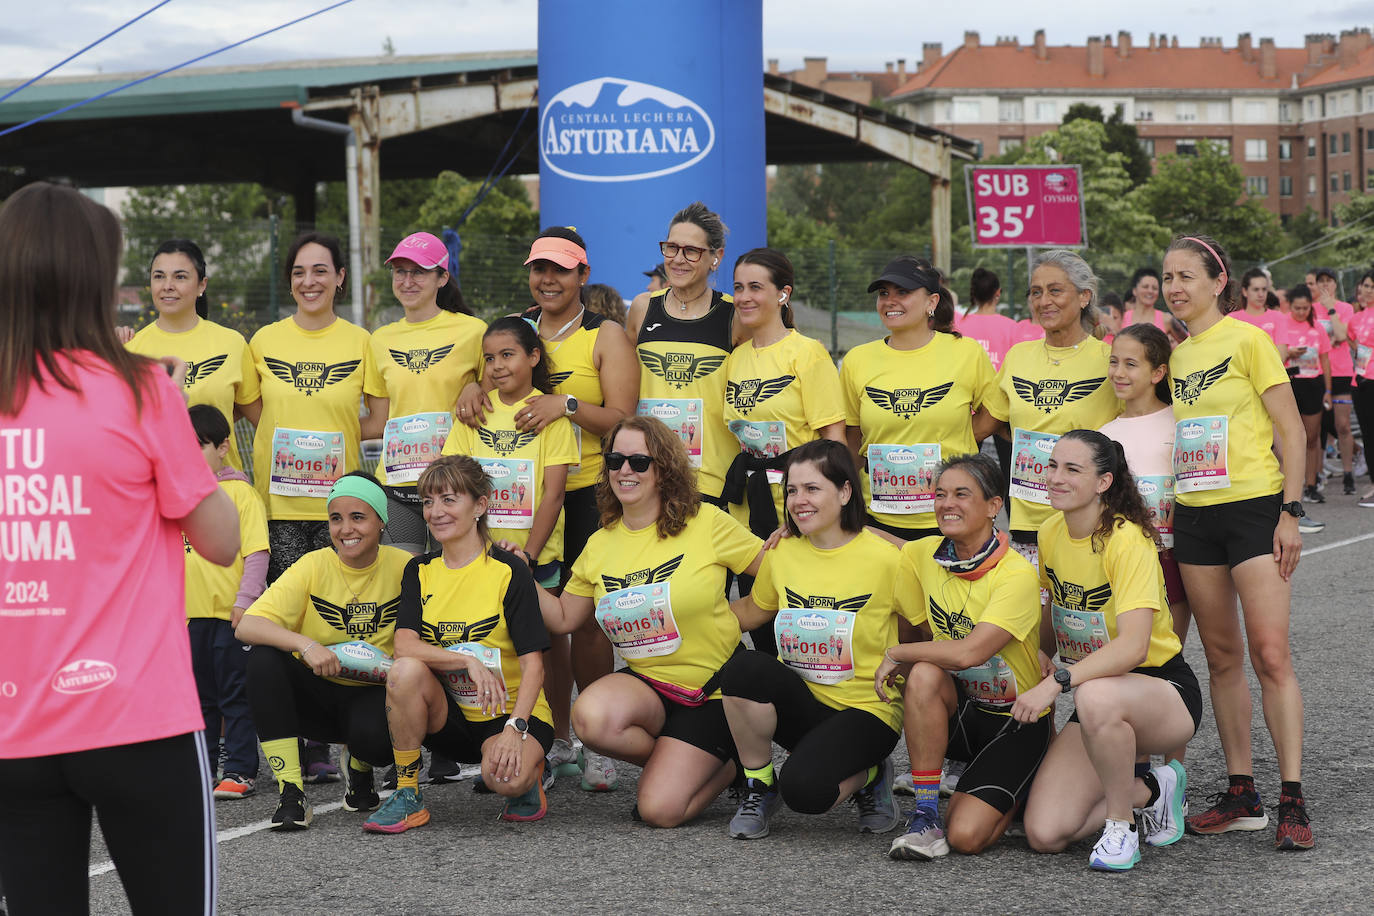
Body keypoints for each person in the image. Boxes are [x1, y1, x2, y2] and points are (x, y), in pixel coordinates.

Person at [0, 182, 239, 916]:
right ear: (94, 275)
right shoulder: (140, 389)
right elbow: (221, 542)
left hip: (15, 727)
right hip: (138, 716)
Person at [460, 226, 638, 790]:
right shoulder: (515, 327)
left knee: (585, 623)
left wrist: (564, 404)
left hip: (589, 492)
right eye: (540, 268)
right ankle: (558, 737)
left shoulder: (605, 334)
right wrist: (467, 387)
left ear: (583, 275)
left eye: (560, 269)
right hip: (525, 498)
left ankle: (597, 740)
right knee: (543, 628)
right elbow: (484, 379)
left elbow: (625, 419)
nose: (548, 279)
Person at [536, 416, 765, 827]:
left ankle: (727, 765)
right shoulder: (601, 542)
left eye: (639, 461)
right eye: (615, 460)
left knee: (658, 812)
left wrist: (739, 617)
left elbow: (777, 574)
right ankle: (696, 762)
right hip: (650, 687)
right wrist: (516, 572)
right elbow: (566, 616)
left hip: (711, 692)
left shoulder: (706, 522)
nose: (625, 470)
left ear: (663, 468)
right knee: (589, 716)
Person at [1163, 235, 1312, 850]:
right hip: (1195, 518)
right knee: (1221, 658)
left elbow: (1291, 429)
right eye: (1168, 277)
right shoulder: (1175, 358)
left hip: (1254, 511)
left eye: (1187, 276)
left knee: (1270, 655)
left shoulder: (1248, 339)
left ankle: (1292, 798)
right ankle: (1241, 792)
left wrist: (1291, 513)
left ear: (1218, 280)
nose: (1175, 288)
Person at [1016, 431, 1202, 872]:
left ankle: (1121, 827)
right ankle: (1155, 789)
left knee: (1094, 695)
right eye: (1051, 465)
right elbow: (1054, 603)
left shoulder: (1127, 539)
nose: (1055, 477)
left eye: (1072, 469)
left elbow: (1135, 647)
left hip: (1161, 689)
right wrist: (1042, 655)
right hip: (1095, 692)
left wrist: (1056, 683)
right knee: (1045, 832)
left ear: (1103, 482)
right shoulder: (1049, 530)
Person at [719, 440, 905, 840]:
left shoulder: (887, 558)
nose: (798, 500)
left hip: (868, 710)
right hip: (805, 701)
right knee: (744, 668)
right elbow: (751, 611)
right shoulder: (783, 552)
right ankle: (759, 782)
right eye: (791, 490)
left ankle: (872, 775)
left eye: (812, 489)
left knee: (806, 792)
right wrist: (689, 627)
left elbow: (923, 622)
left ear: (844, 492)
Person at [363, 456, 555, 832]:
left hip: (510, 711)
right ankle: (407, 792)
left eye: (449, 500)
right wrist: (466, 661)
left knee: (505, 780)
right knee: (404, 672)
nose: (435, 512)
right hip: (452, 715)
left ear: (479, 506)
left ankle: (530, 771)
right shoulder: (419, 570)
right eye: (429, 502)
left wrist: (516, 728)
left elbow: (535, 665)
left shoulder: (508, 569)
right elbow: (404, 647)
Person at [875, 453, 1049, 861]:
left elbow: (971, 652)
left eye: (961, 494)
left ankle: (1022, 792)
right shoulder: (921, 556)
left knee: (968, 838)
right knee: (922, 675)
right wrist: (793, 527)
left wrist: (895, 653)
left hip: (1016, 723)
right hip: (963, 714)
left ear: (993, 506)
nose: (946, 503)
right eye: (939, 494)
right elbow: (876, 543)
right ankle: (925, 812)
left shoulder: (1016, 574)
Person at [235, 472, 411, 831]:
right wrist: (306, 644)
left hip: (371, 695)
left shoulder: (406, 566)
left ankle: (360, 765)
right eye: (336, 518)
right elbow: (247, 625)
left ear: (381, 521)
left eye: (358, 517)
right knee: (263, 660)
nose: (346, 529)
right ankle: (291, 792)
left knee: (378, 741)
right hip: (316, 692)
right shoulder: (313, 565)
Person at [722, 248, 846, 654]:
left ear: (783, 294)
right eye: (738, 287)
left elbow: (833, 436)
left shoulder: (806, 353)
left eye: (756, 287)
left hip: (799, 507)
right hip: (749, 508)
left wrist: (831, 509)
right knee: (762, 629)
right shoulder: (736, 359)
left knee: (803, 626)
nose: (744, 297)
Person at [250, 232, 381, 582]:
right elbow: (255, 411)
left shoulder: (362, 342)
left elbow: (379, 420)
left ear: (340, 277)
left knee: (335, 607)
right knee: (288, 610)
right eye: (298, 272)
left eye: (320, 271)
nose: (308, 282)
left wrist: (335, 435)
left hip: (341, 506)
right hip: (279, 506)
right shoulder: (263, 341)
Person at [841, 256, 997, 542]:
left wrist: (960, 440)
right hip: (879, 519)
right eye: (884, 293)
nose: (890, 301)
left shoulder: (966, 353)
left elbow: (995, 413)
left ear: (932, 302)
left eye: (903, 292)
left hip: (952, 515)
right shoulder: (857, 360)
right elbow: (852, 434)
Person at [983, 250, 1118, 569]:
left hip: (1089, 526)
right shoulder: (1018, 356)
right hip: (1027, 530)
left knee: (1083, 618)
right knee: (1028, 619)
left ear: (1085, 296)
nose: (1044, 301)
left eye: (1055, 290)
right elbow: (987, 425)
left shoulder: (1108, 359)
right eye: (1036, 292)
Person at [364, 231, 485, 554]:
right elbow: (379, 420)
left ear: (442, 277)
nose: (407, 280)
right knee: (403, 580)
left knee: (454, 579)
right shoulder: (379, 340)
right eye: (400, 271)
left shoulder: (473, 331)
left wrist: (477, 384)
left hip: (454, 487)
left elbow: (499, 394)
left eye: (418, 271)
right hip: (397, 487)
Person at [442, 317, 578, 589]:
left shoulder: (551, 417)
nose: (497, 366)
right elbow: (452, 483)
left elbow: (554, 495)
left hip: (539, 557)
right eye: (490, 358)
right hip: (478, 555)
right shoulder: (475, 412)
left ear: (533, 356)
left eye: (507, 355)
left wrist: (529, 556)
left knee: (543, 631)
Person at [626, 202, 743, 510]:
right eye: (671, 248)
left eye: (691, 251)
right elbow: (622, 388)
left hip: (710, 479)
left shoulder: (734, 315)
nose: (678, 259)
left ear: (715, 257)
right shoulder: (642, 307)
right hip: (648, 474)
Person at [185, 405, 271, 800]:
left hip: (229, 617)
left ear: (223, 447)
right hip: (187, 620)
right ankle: (200, 771)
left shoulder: (240, 494)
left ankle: (239, 770)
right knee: (198, 700)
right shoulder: (177, 495)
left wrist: (245, 602)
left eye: (197, 445)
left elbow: (257, 554)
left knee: (235, 696)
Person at [125, 239, 262, 472]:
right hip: (157, 491)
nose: (168, 285)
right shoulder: (131, 350)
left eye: (180, 277)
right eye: (159, 276)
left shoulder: (232, 344)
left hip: (221, 491)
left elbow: (263, 422)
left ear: (202, 285)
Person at [1101, 323, 1190, 647]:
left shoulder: (1179, 423)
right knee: (1124, 655)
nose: (1119, 372)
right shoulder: (1104, 434)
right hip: (1119, 563)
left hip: (1170, 559)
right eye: (1114, 361)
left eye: (1131, 364)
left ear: (1158, 372)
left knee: (1168, 653)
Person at [1275, 285, 1333, 510]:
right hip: (1290, 382)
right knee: (1289, 437)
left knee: (1311, 437)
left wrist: (1328, 390)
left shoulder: (1318, 327)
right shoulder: (1283, 323)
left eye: (1305, 308)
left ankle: (1311, 484)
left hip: (1313, 383)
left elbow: (1325, 360)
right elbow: (1275, 353)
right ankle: (1290, 487)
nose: (1301, 312)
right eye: (1297, 308)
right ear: (1290, 307)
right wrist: (1289, 353)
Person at [1310, 267, 1357, 496]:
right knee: (1317, 428)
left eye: (1329, 281)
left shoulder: (1344, 308)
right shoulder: (1308, 309)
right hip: (1317, 372)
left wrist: (1330, 309)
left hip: (1341, 371)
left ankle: (1348, 472)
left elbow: (1340, 335)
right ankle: (1317, 477)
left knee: (1343, 426)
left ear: (1335, 285)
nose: (1325, 285)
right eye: (1321, 281)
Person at [1350, 270, 1374, 505]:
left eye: (1371, 286)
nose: (1366, 290)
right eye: (1365, 286)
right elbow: (1348, 338)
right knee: (1367, 434)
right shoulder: (1359, 316)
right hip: (1359, 380)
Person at [1232, 268, 1281, 341]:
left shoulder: (1278, 317)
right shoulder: (1232, 319)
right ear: (1245, 291)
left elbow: (1281, 352)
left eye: (1264, 289)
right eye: (1256, 289)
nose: (1261, 294)